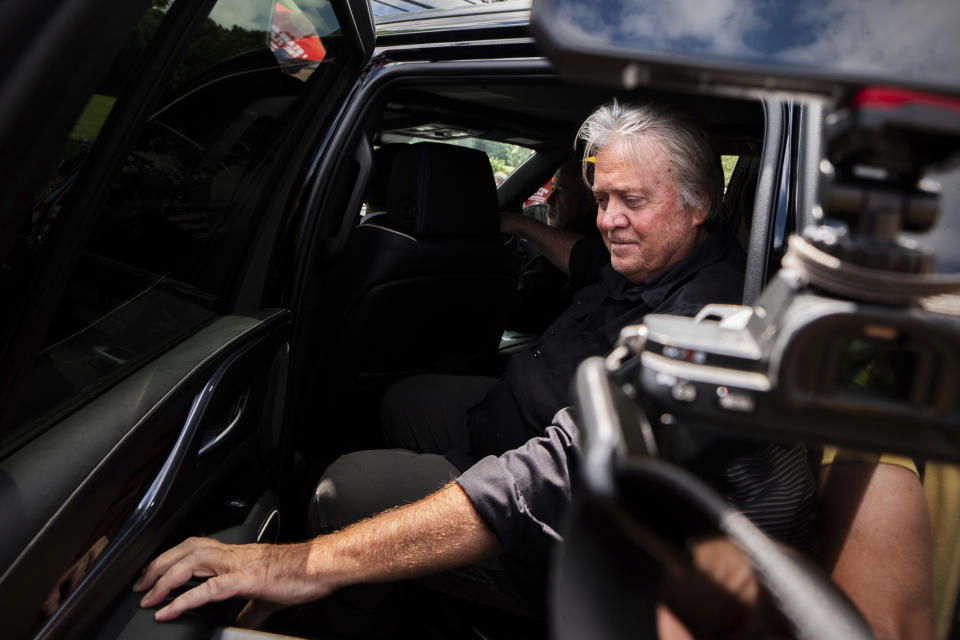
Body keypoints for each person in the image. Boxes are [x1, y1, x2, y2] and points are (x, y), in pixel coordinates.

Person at [133, 101, 823, 635]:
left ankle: (362, 615)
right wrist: (520, 228)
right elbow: (579, 255)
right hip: (509, 420)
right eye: (603, 197)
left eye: (631, 201)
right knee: (407, 397)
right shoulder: (651, 254)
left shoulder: (704, 322)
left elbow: (539, 480)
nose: (610, 220)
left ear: (700, 205)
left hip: (562, 522)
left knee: (343, 487)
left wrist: (297, 565)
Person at [502, 160, 602, 333]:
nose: (549, 199)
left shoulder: (576, 256)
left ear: (588, 202)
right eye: (552, 188)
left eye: (560, 191)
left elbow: (514, 311)